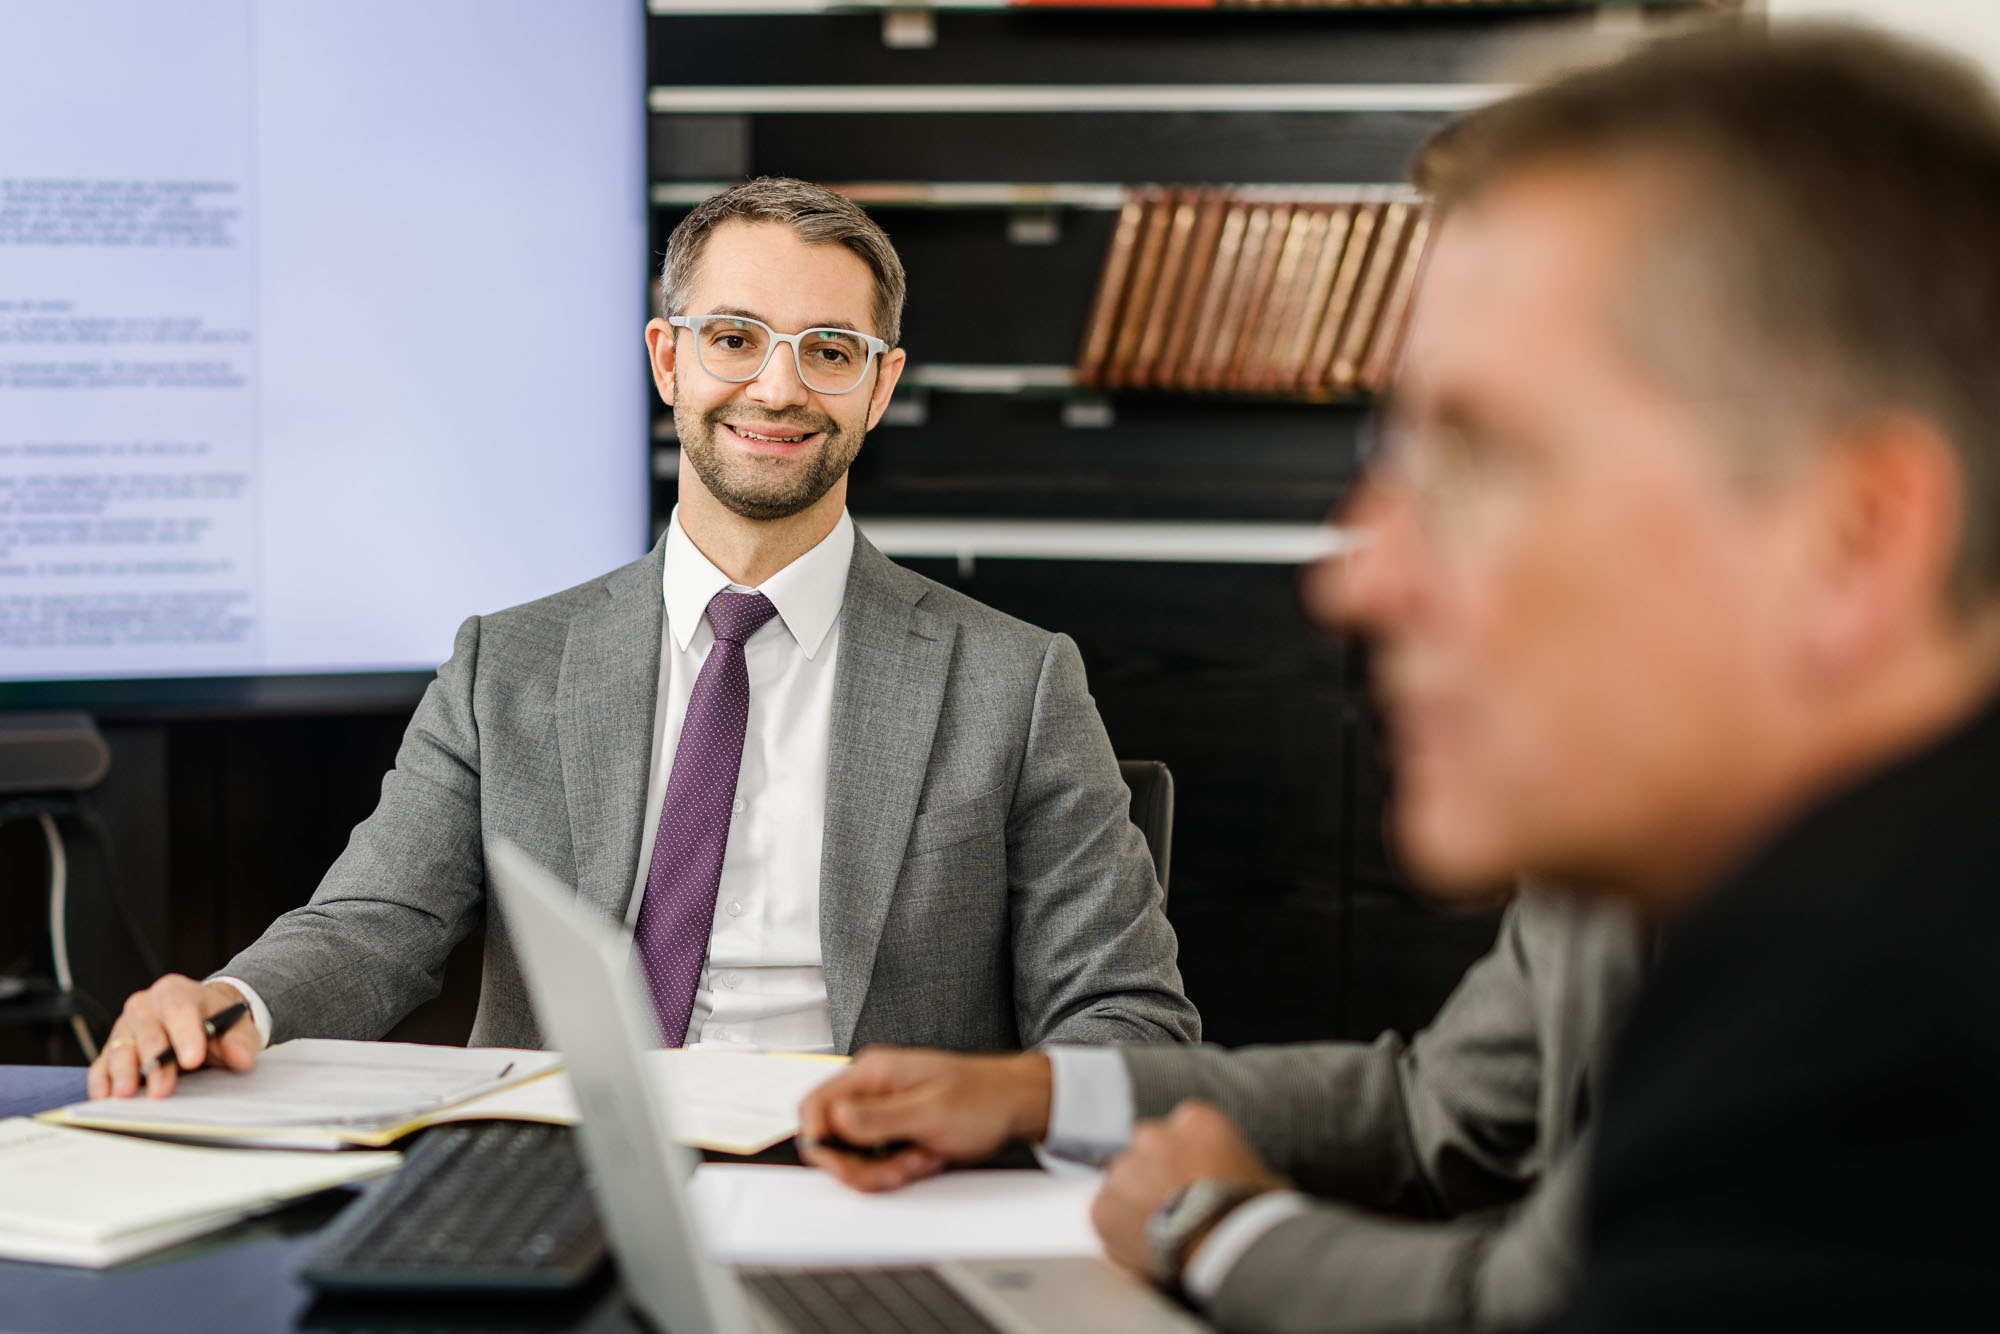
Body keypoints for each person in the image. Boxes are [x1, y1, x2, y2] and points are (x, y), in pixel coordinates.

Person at [805, 24, 2000, 1331]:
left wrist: (1207, 1221)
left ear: (1853, 542)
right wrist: (1041, 1094)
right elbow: (1442, 1112)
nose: (1354, 578)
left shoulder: (1881, 1040)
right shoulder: (1706, 860)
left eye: (1480, 461)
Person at [88, 177, 1198, 1101]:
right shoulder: (505, 665)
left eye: (827, 350)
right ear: (668, 360)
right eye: (733, 338)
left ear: (877, 387)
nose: (777, 386)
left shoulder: (1014, 681)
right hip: (563, 1162)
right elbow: (379, 921)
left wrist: (978, 1118)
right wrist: (233, 1001)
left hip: (867, 1180)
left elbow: (1131, 1015)